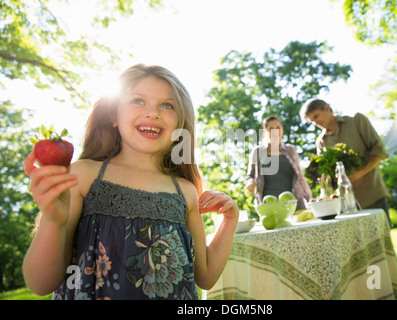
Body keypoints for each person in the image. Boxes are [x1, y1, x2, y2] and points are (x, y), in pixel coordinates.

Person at [22, 64, 239, 300]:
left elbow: (205, 277)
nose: (153, 112)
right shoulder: (83, 175)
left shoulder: (185, 191)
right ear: (113, 116)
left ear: (180, 123)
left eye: (167, 105)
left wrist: (230, 220)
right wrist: (53, 222)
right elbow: (40, 283)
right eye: (138, 100)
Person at [300, 98, 392, 226]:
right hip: (345, 204)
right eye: (312, 121)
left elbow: (378, 150)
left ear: (326, 109)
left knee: (382, 238)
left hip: (372, 194)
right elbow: (327, 174)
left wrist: (360, 173)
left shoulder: (356, 120)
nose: (316, 122)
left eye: (316, 116)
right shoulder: (321, 141)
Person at [245, 115, 312, 210]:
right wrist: (250, 183)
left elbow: (299, 175)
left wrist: (308, 196)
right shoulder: (257, 152)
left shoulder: (290, 150)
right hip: (268, 203)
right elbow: (249, 176)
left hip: (294, 201)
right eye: (271, 128)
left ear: (282, 130)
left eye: (278, 127)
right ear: (265, 131)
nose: (275, 131)